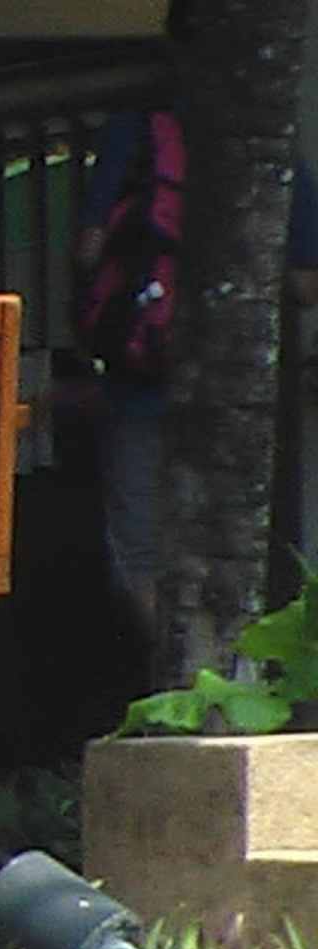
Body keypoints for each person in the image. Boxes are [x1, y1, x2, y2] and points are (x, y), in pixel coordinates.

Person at [74, 3, 318, 647]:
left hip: (139, 371)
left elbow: (89, 251)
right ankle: (230, 682)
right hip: (241, 390)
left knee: (139, 555)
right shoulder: (268, 141)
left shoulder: (137, 131)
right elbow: (307, 284)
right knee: (234, 550)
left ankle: (182, 676)